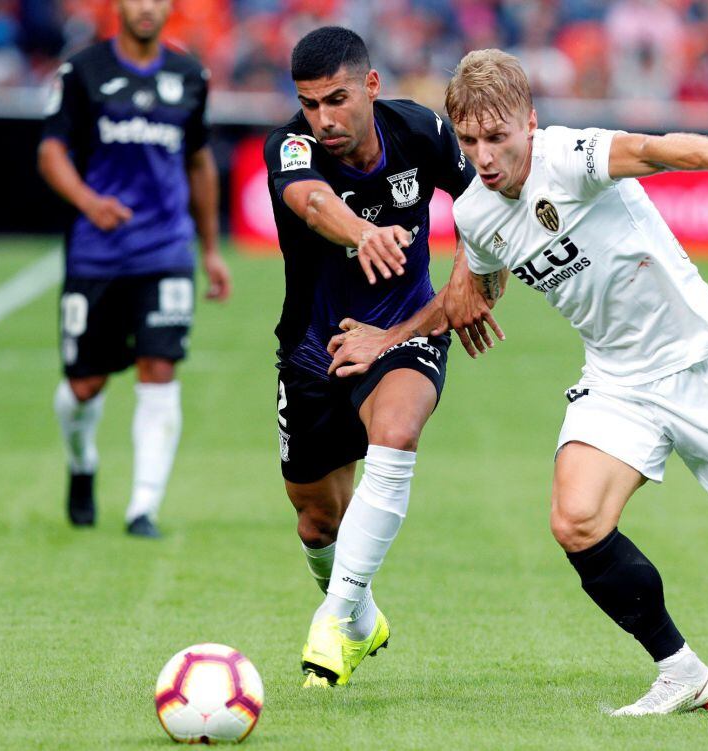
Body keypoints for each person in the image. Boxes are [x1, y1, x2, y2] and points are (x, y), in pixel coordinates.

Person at [343, 48, 708, 714]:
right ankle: (680, 670)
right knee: (576, 519)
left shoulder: (570, 157)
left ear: (529, 122)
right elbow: (468, 294)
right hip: (617, 378)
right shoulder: (476, 214)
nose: (484, 156)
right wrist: (392, 336)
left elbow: (656, 148)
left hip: (700, 362)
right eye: (469, 141)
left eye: (497, 137)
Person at [263, 26, 487, 688]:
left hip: (405, 329)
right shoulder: (291, 145)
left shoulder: (421, 131)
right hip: (313, 347)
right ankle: (360, 619)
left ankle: (332, 619)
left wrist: (468, 283)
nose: (324, 119)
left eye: (336, 99)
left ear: (370, 85)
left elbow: (483, 208)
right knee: (314, 516)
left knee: (396, 431)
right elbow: (309, 198)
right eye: (310, 103)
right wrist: (363, 232)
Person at [38, 0, 231, 538]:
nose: (146, 7)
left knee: (160, 370)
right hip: (96, 253)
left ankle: (142, 507)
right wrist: (87, 200)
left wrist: (210, 250)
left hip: (166, 252)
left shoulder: (190, 75)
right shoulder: (82, 71)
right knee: (83, 386)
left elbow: (198, 162)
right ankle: (81, 464)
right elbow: (51, 151)